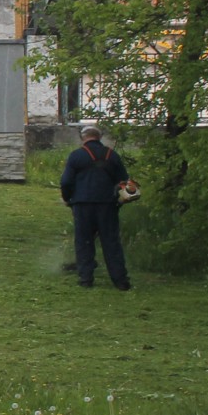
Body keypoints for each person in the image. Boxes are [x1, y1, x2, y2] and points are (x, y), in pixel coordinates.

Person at [59, 124, 131, 290]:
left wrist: (67, 198)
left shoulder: (76, 156)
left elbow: (66, 182)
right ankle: (120, 281)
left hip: (82, 205)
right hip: (107, 204)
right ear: (99, 137)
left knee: (84, 241)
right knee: (111, 242)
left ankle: (86, 279)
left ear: (83, 138)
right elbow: (124, 181)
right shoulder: (111, 155)